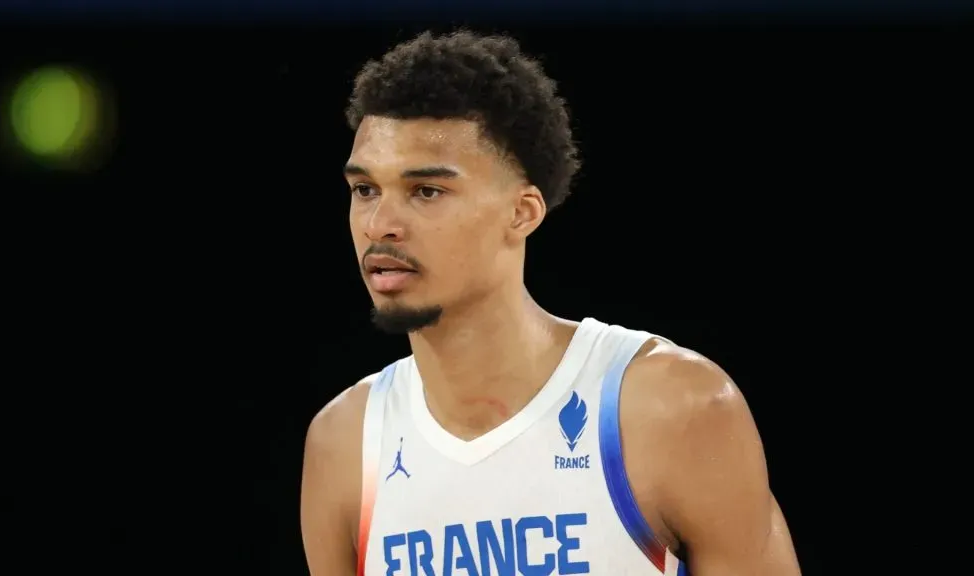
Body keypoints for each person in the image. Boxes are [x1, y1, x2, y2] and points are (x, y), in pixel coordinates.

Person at [301, 30, 800, 576]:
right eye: (365, 190)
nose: (379, 226)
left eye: (426, 191)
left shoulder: (670, 408)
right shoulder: (344, 444)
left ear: (523, 212)